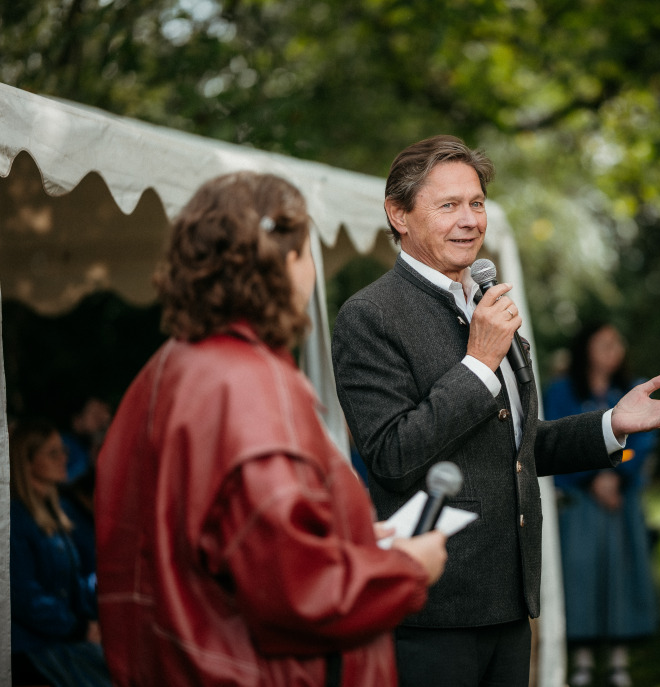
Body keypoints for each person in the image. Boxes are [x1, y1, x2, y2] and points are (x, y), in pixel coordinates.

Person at [331, 135, 660, 687]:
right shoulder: (370, 316)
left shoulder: (486, 305)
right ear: (398, 215)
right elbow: (392, 455)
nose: (469, 220)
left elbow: (515, 448)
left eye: (476, 202)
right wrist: (479, 363)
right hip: (432, 609)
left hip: (509, 598)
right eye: (448, 205)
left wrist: (609, 426)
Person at [95, 172, 447, 687]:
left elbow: (232, 536)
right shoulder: (253, 389)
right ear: (285, 261)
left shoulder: (162, 370)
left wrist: (342, 537)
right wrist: (406, 569)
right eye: (308, 253)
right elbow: (297, 591)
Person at [545, 322, 660, 687]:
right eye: (603, 342)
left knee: (622, 571)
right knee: (580, 573)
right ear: (585, 348)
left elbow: (642, 443)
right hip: (579, 501)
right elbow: (551, 437)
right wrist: (592, 477)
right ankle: (581, 659)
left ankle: (619, 660)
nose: (613, 348)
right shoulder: (561, 391)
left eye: (617, 342)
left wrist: (616, 474)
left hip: (620, 500)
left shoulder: (630, 388)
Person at [10, 418, 111, 687]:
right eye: (53, 453)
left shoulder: (56, 513)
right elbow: (23, 596)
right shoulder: (14, 519)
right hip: (35, 648)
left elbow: (71, 585)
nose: (64, 458)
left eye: (63, 450)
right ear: (27, 463)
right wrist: (78, 627)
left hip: (62, 639)